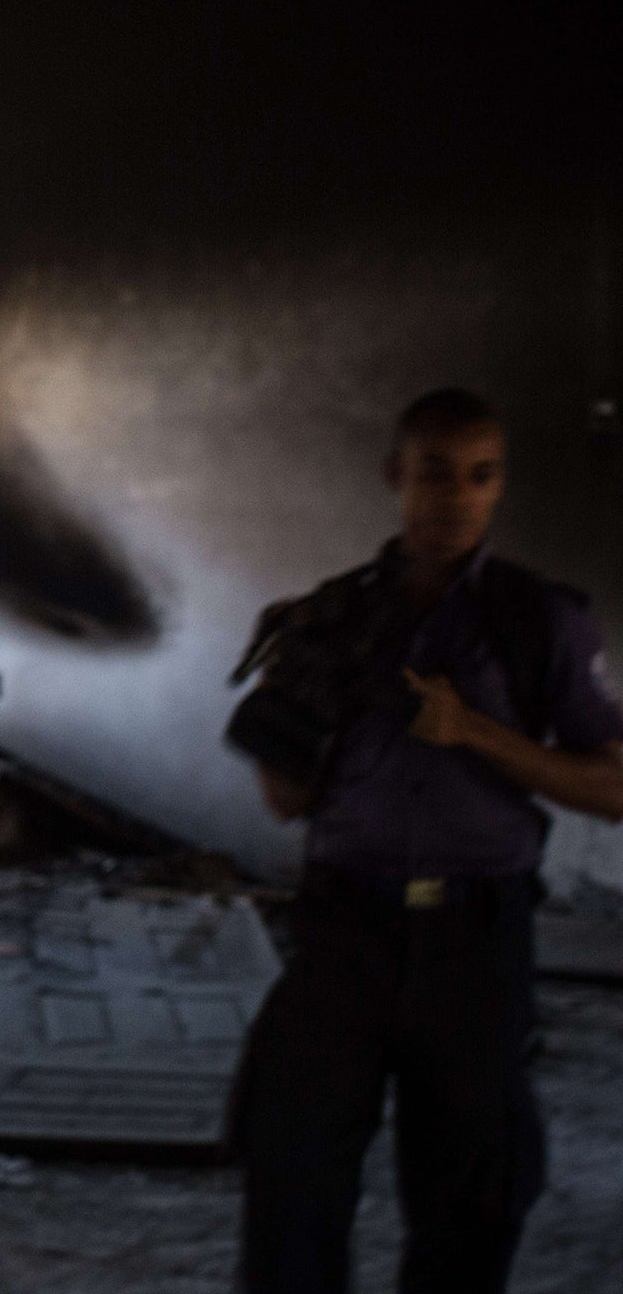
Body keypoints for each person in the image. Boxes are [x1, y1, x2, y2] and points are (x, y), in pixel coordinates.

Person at [233, 387, 623, 1293]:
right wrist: (292, 704)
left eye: (481, 477)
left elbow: (613, 787)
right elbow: (285, 802)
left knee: (473, 1193)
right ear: (394, 476)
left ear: (499, 488)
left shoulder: (540, 621)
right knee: (291, 1166)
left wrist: (476, 732)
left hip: (473, 942)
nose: (456, 498)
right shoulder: (330, 616)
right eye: (435, 474)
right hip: (345, 930)